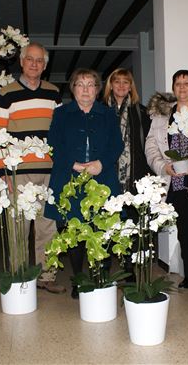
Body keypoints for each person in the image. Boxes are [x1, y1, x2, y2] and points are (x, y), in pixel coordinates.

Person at [0, 42, 66, 294]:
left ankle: (47, 276)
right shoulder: (6, 93)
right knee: (18, 227)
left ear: (44, 66)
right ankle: (20, 276)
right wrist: (2, 172)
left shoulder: (54, 93)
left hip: (49, 171)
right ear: (22, 61)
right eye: (30, 59)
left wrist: (62, 166)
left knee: (47, 226)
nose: (34, 64)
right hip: (17, 172)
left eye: (39, 61)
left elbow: (59, 133)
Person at [44, 68, 123, 299]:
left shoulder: (108, 114)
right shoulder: (61, 114)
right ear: (73, 89)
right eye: (80, 84)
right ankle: (78, 279)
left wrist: (102, 163)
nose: (86, 89)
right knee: (74, 230)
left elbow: (116, 145)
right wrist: (74, 164)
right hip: (70, 179)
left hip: (102, 178)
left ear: (98, 90)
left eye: (91, 85)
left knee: (102, 230)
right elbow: (53, 144)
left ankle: (101, 278)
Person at [145, 69, 188, 290]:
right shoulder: (162, 117)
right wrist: (163, 166)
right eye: (178, 84)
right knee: (183, 231)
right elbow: (151, 147)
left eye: (187, 83)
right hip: (174, 183)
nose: (182, 88)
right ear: (173, 88)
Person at [102, 68, 152, 280]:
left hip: (134, 176)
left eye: (126, 82)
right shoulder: (100, 109)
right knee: (106, 222)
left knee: (130, 224)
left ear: (131, 86)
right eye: (117, 82)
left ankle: (129, 269)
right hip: (106, 175)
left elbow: (148, 144)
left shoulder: (141, 112)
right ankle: (102, 266)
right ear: (110, 85)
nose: (122, 86)